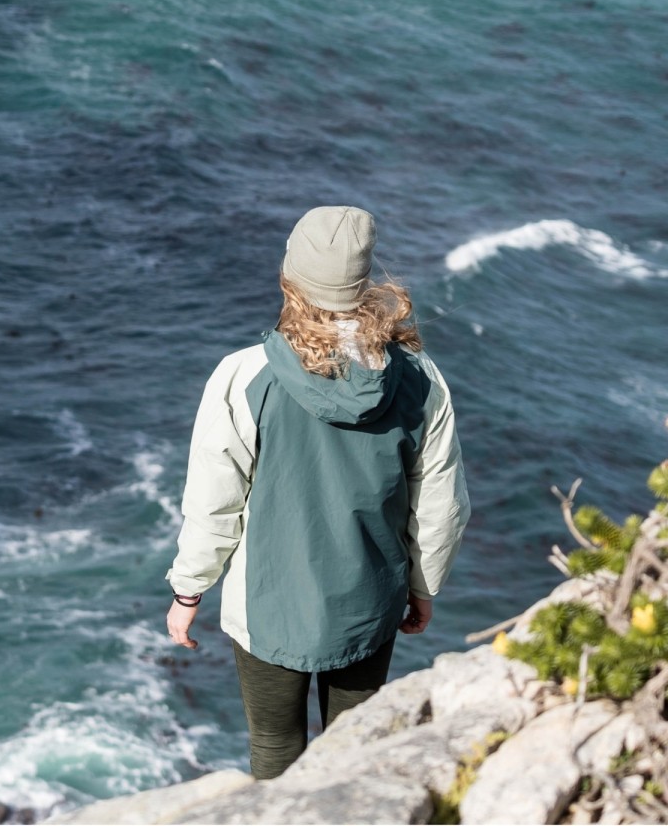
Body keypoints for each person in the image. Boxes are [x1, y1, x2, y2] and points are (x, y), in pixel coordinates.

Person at [163, 205, 470, 781]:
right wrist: (424, 587)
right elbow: (440, 505)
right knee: (354, 754)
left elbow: (214, 502)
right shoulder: (421, 378)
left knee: (275, 747)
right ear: (364, 282)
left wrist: (189, 589)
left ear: (291, 279)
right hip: (370, 604)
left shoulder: (242, 376)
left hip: (268, 608)